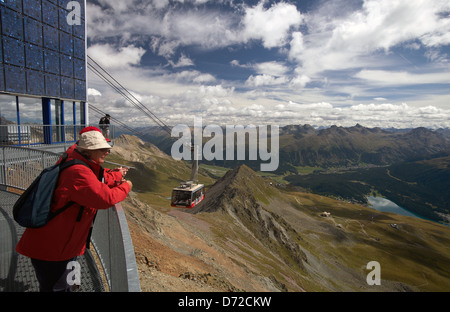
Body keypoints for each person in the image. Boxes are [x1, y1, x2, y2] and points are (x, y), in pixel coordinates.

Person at [15, 129, 132, 292]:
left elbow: (99, 180)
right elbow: (105, 198)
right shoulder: (78, 172)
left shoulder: (81, 163)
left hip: (65, 244)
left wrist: (117, 176)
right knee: (58, 288)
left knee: (68, 284)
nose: (107, 151)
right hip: (53, 248)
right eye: (102, 148)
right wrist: (127, 186)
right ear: (90, 150)